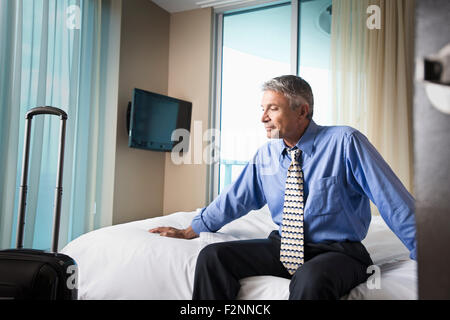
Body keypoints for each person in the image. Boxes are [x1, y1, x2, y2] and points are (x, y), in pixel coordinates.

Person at [149, 75, 417, 300]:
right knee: (212, 256)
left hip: (339, 251)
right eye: (262, 109)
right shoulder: (266, 155)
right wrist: (191, 229)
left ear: (302, 111)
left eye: (272, 109)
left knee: (309, 278)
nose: (263, 117)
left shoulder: (345, 141)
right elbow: (234, 200)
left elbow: (391, 200)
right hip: (284, 246)